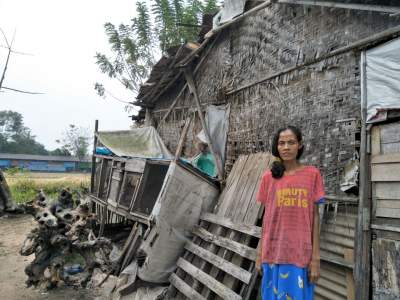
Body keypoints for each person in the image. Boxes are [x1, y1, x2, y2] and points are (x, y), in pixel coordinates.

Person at [256, 126, 325, 300]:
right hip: (272, 254)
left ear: (299, 145)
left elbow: (315, 218)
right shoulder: (268, 177)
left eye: (291, 142)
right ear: (277, 147)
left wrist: (315, 258)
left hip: (300, 255)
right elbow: (266, 219)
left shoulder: (312, 175)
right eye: (281, 143)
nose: (286, 147)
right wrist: (259, 254)